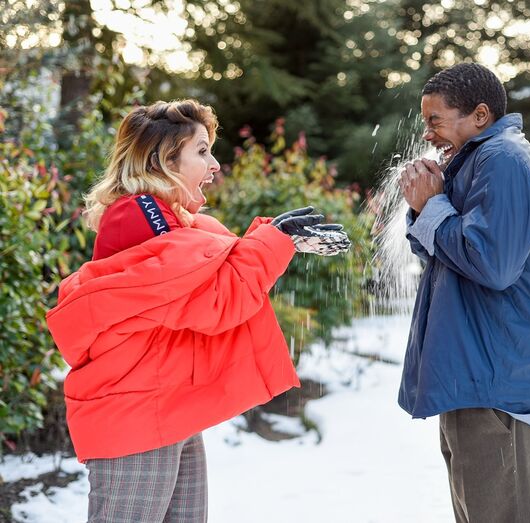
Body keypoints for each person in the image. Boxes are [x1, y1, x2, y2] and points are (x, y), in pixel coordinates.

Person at [46, 99, 350, 522]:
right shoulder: (139, 214)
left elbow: (214, 272)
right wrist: (276, 239)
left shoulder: (174, 220)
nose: (215, 165)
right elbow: (215, 300)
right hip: (136, 415)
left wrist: (282, 240)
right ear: (164, 161)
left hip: (164, 407)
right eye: (202, 150)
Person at [397, 63, 530, 522]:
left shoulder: (505, 160)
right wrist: (424, 207)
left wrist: (431, 205)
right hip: (471, 375)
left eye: (435, 120)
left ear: (479, 115)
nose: (428, 133)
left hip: (495, 383)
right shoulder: (476, 160)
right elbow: (446, 253)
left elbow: (492, 263)